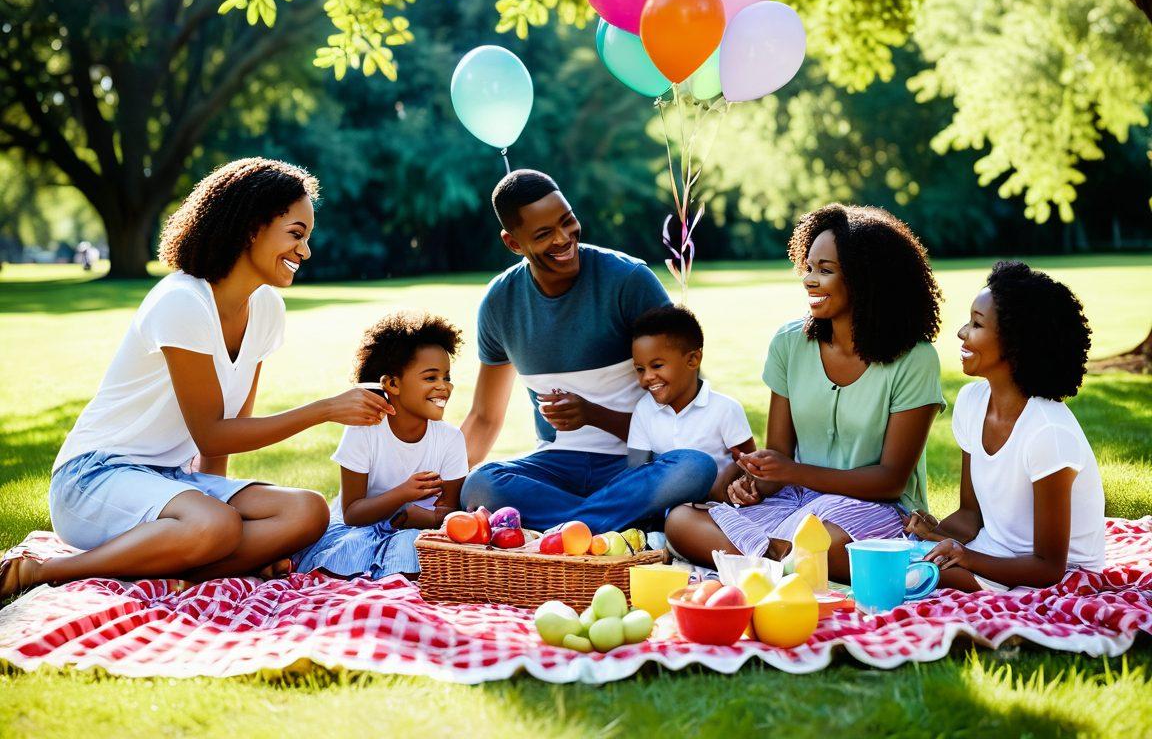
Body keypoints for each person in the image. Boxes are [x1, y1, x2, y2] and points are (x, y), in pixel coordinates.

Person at [0, 158, 392, 599]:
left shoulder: (266, 311)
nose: (305, 251)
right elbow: (212, 434)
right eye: (296, 235)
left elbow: (226, 437)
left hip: (172, 480)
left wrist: (217, 492)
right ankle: (46, 571)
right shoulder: (182, 301)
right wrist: (325, 410)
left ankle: (187, 559)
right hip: (94, 478)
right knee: (214, 525)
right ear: (250, 228)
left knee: (307, 512)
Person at [665, 203, 946, 580]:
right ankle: (787, 562)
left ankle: (763, 559)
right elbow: (779, 455)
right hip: (794, 501)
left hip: (874, 507)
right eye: (808, 268)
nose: (810, 280)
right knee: (681, 520)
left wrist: (792, 471)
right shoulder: (789, 343)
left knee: (831, 545)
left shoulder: (915, 359)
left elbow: (891, 480)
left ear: (866, 279)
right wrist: (756, 484)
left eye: (825, 270)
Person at [459, 169, 716, 533]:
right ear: (514, 243)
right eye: (544, 233)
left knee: (695, 467)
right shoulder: (501, 303)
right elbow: (484, 418)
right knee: (480, 484)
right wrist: (439, 489)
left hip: (635, 463)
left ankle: (569, 530)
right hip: (556, 466)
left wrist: (594, 414)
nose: (564, 239)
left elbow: (686, 407)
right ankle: (615, 523)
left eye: (567, 221)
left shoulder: (628, 281)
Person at [905, 262, 1105, 591]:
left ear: (1014, 343)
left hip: (1055, 573)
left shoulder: (1048, 433)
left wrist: (965, 558)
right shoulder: (971, 401)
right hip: (993, 550)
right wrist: (935, 533)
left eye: (977, 324)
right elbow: (971, 515)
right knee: (892, 556)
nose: (962, 332)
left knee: (902, 575)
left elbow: (1049, 567)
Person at [296, 311, 468, 580]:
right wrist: (403, 494)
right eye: (431, 378)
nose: (444, 387)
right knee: (350, 551)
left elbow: (449, 514)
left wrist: (420, 517)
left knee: (410, 551)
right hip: (359, 528)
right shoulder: (364, 431)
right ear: (392, 384)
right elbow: (352, 513)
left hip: (417, 531)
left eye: (446, 377)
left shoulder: (450, 439)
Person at [628, 304, 756, 501]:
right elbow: (635, 472)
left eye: (657, 366)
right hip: (656, 502)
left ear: (693, 359)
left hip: (709, 506)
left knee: (696, 464)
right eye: (640, 369)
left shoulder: (725, 408)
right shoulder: (644, 409)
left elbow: (750, 466)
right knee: (623, 487)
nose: (647, 377)